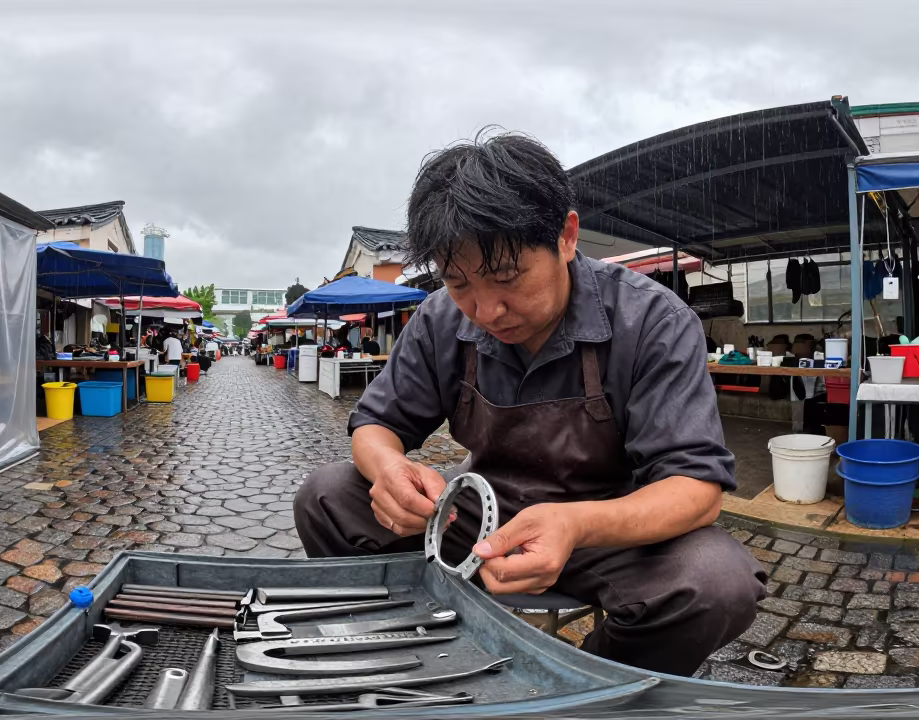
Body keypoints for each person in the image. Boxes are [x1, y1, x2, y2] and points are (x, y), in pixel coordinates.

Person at [294, 132, 764, 677]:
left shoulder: (652, 320)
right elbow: (377, 423)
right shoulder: (441, 318)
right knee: (327, 494)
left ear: (565, 237)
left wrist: (575, 525)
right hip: (477, 515)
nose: (487, 309)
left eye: (507, 277)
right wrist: (390, 469)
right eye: (458, 282)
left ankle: (582, 687)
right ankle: (419, 641)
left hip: (609, 529)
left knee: (716, 581)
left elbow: (696, 491)